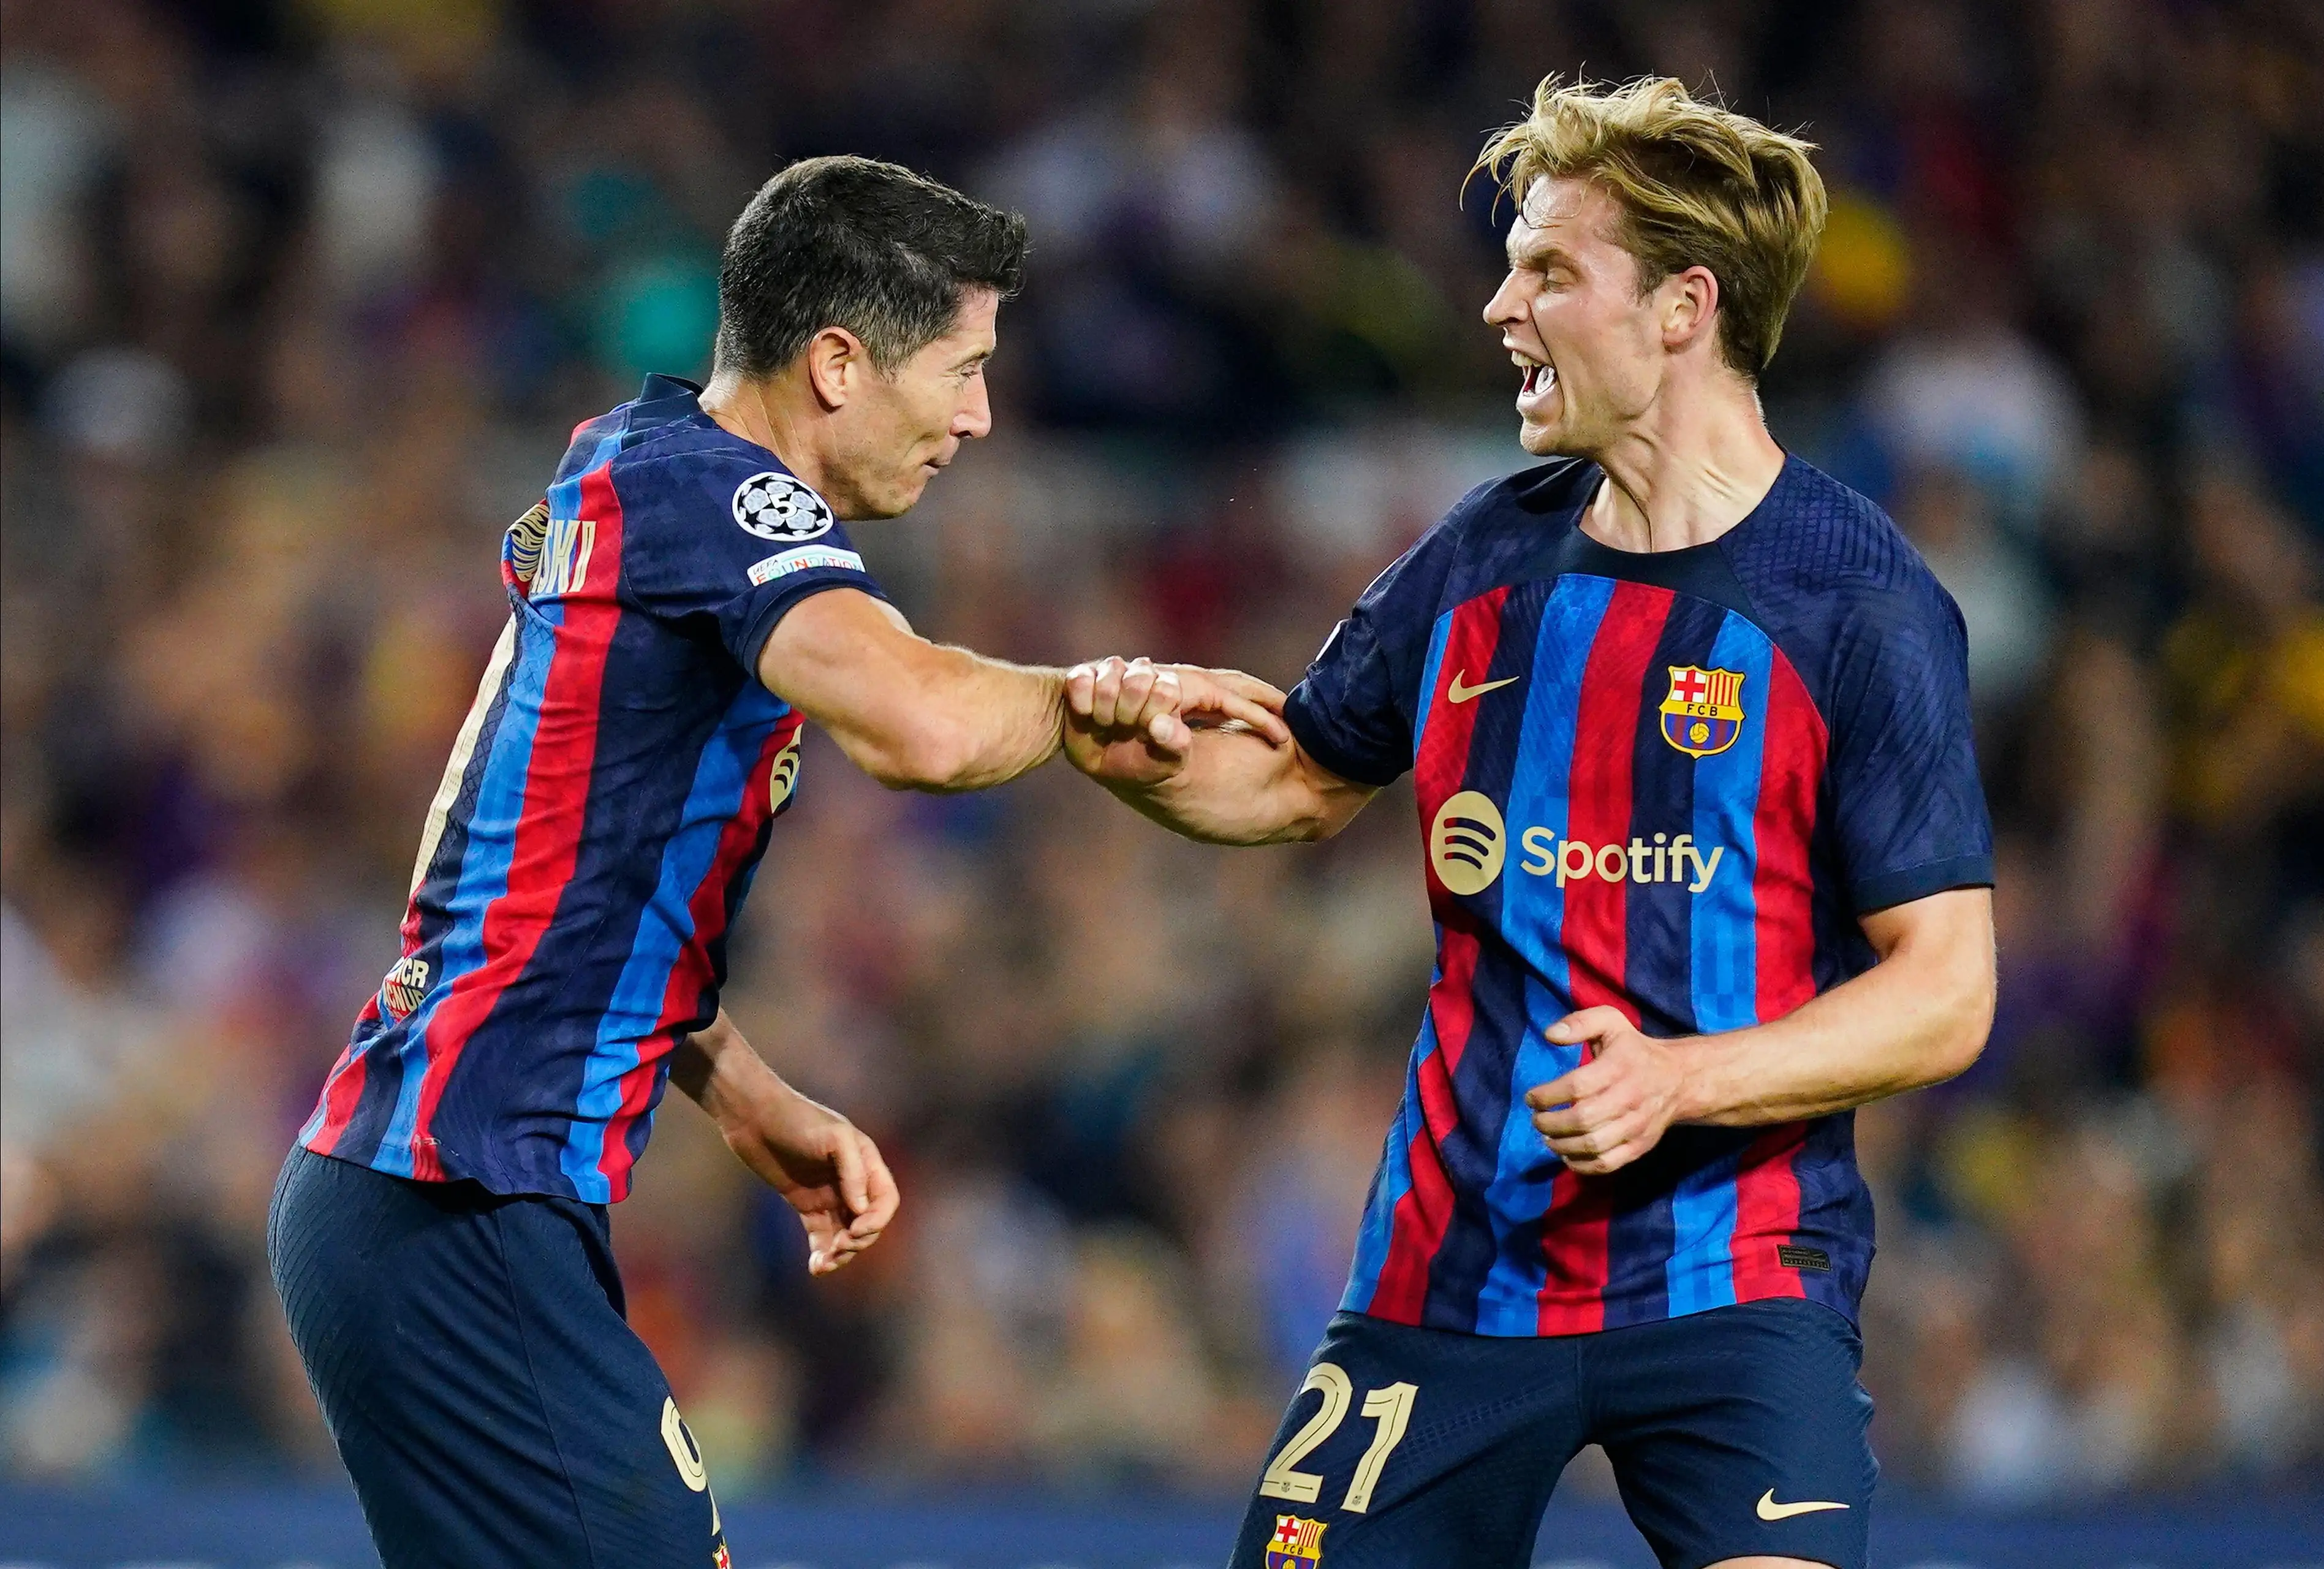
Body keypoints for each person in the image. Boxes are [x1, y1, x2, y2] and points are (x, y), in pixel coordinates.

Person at [268, 155, 1280, 1568]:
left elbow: (565, 873)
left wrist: (738, 1085)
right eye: (965, 368)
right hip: (459, 1202)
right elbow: (921, 723)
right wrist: (1086, 691)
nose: (981, 416)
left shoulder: (637, 463)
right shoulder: (713, 496)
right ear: (840, 362)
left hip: (427, 1200)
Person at [1064, 78, 1997, 1569]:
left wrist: (1681, 1078)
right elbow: (1300, 775)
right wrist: (1114, 744)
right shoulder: (1483, 552)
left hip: (1736, 1278)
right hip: (1456, 1270)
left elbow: (1948, 991)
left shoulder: (1859, 603)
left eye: (1550, 269)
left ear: (1684, 306)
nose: (1500, 304)